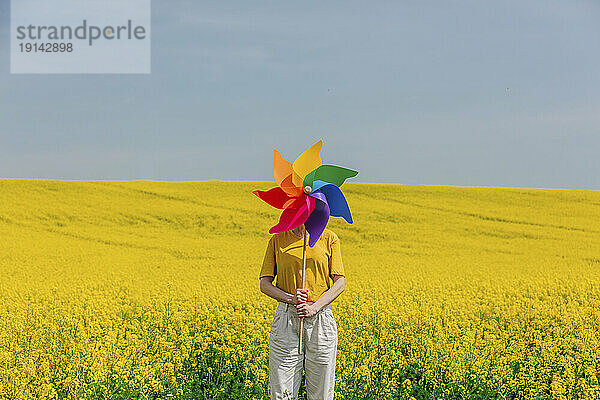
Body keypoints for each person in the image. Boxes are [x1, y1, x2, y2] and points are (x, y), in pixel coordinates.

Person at [259, 223, 346, 400]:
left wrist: (314, 307)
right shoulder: (277, 239)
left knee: (321, 393)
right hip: (288, 317)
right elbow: (264, 284)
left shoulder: (329, 238)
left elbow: (340, 283)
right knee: (282, 392)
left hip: (320, 317)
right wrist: (292, 298)